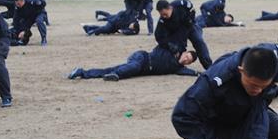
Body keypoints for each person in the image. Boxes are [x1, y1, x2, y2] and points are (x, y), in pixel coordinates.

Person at [68, 47, 199, 81]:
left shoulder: (178, 68)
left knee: (108, 70)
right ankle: (115, 75)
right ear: (184, 52)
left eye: (189, 60)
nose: (186, 59)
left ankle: (81, 72)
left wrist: (200, 74)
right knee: (132, 67)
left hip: (140, 70)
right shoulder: (171, 50)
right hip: (141, 58)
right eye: (187, 56)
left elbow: (189, 72)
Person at [155, 0, 212, 70]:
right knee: (177, 49)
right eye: (161, 15)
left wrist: (190, 20)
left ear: (170, 8)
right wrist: (169, 45)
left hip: (189, 26)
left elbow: (192, 9)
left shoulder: (180, 5)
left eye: (165, 14)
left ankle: (209, 67)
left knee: (199, 41)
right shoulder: (162, 21)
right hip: (177, 33)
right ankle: (176, 66)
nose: (163, 16)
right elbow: (158, 37)